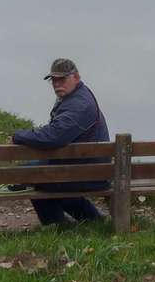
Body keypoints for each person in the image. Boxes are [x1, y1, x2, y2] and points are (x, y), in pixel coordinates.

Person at [11, 58, 110, 226]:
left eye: (62, 79)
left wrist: (17, 136)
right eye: (54, 80)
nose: (57, 84)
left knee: (28, 175)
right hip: (88, 167)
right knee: (33, 171)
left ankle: (56, 225)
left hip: (88, 173)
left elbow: (53, 137)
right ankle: (93, 220)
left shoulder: (79, 105)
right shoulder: (77, 95)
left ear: (76, 77)